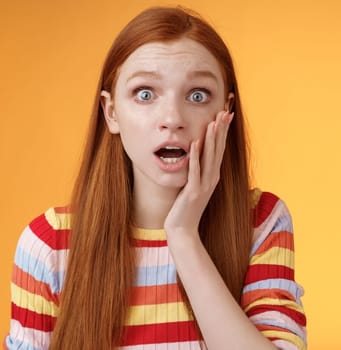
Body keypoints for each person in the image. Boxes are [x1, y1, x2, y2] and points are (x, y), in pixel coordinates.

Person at [4, 6, 306, 350]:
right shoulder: (49, 245)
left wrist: (183, 236)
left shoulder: (262, 222)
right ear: (111, 112)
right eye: (145, 93)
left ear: (226, 111)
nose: (172, 118)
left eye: (197, 95)